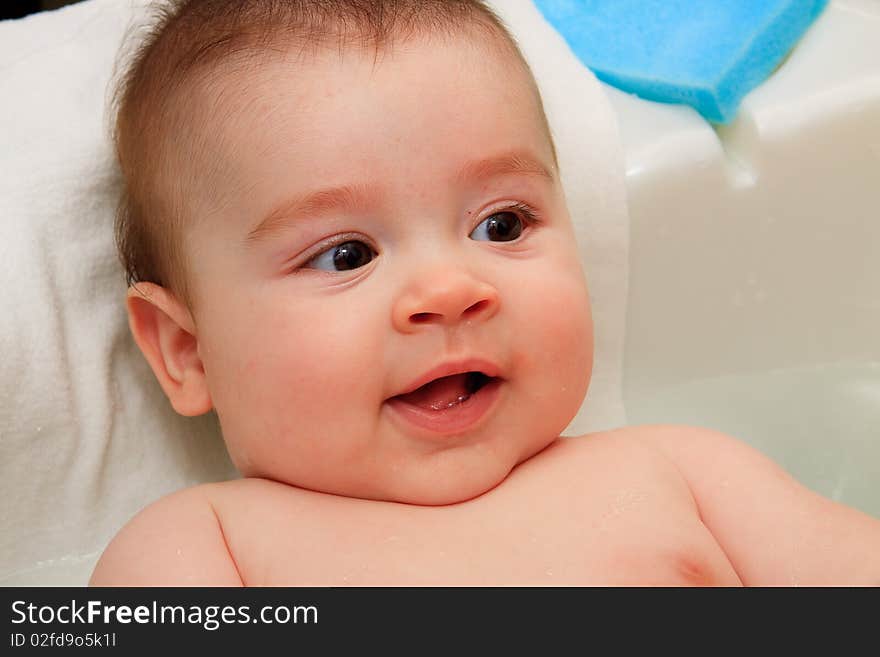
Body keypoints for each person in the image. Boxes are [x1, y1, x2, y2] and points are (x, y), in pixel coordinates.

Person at [90, 0, 880, 586]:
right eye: (345, 254)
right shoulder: (205, 549)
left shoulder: (685, 475)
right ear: (187, 352)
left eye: (501, 225)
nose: (449, 290)